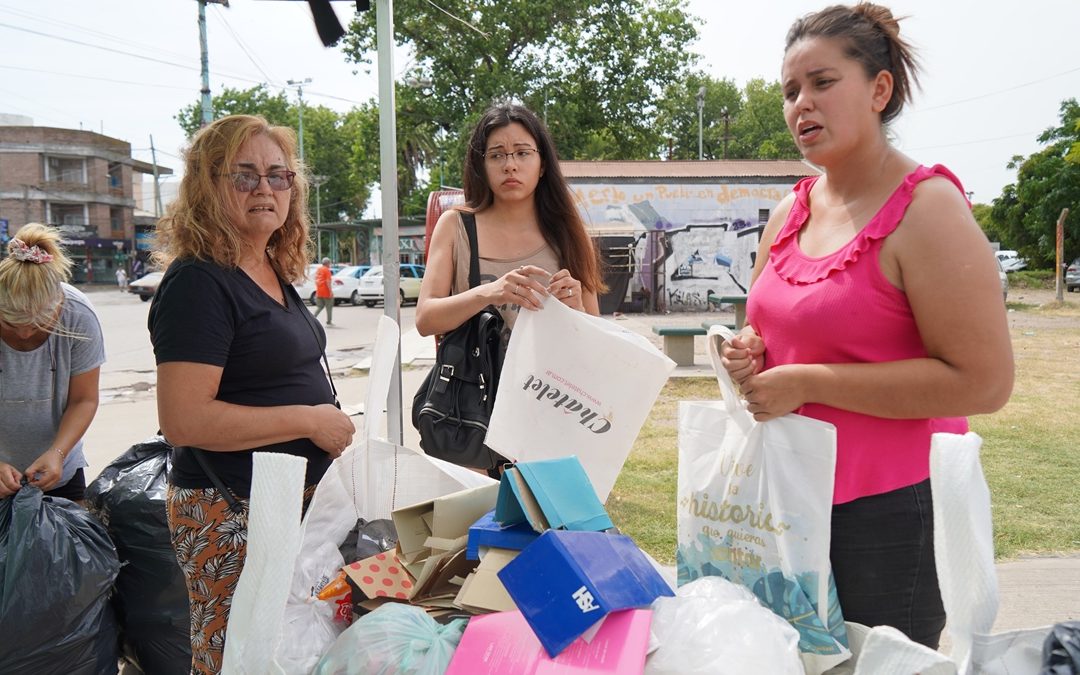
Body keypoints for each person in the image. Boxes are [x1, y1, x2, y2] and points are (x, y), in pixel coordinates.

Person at [719, 3, 1013, 649]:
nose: (802, 104)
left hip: (890, 513)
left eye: (823, 82)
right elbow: (766, 329)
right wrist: (749, 352)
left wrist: (807, 383)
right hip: (786, 495)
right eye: (790, 90)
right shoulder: (789, 209)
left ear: (879, 90)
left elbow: (984, 382)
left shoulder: (927, 207)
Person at [148, 114, 355, 675]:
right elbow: (185, 420)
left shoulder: (268, 267)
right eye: (244, 175)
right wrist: (309, 420)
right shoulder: (199, 281)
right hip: (230, 510)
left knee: (285, 656)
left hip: (284, 505)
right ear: (207, 186)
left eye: (278, 175)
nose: (265, 188)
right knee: (236, 657)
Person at [416, 103, 605, 348]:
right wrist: (491, 292)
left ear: (543, 165)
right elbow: (425, 319)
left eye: (523, 152)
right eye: (496, 155)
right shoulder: (455, 226)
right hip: (477, 384)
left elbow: (596, 339)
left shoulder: (568, 232)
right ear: (481, 166)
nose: (510, 165)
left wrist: (577, 307)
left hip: (549, 384)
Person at [0, 223, 105, 502]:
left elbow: (83, 399)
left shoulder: (77, 314)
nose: (24, 333)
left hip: (59, 474)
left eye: (37, 324)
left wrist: (58, 452)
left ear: (57, 305)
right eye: (11, 323)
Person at [312, 256, 334, 326]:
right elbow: (328, 281)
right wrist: (330, 291)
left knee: (319, 307)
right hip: (326, 292)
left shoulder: (319, 270)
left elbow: (316, 279)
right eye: (329, 263)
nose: (329, 264)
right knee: (329, 307)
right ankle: (329, 321)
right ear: (327, 263)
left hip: (319, 291)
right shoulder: (327, 270)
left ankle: (312, 318)